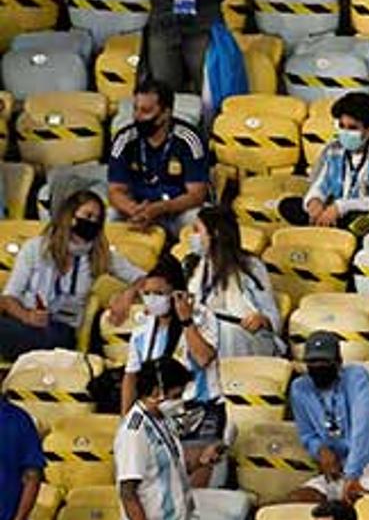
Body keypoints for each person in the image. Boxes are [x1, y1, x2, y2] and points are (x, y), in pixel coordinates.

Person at [119, 255, 227, 485]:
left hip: (200, 411)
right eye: (146, 293)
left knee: (192, 485)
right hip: (160, 413)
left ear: (177, 293)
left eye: (159, 293)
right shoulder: (142, 330)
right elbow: (131, 377)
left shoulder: (203, 318)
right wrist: (126, 422)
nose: (151, 299)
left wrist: (186, 320)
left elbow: (204, 357)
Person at [116, 358, 202, 520]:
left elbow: (168, 471)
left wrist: (202, 460)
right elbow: (128, 492)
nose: (179, 401)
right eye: (176, 395)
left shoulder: (161, 421)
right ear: (156, 392)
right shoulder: (135, 431)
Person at [0, 191, 137, 356]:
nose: (91, 222)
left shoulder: (99, 254)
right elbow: (9, 297)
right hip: (26, 322)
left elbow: (145, 278)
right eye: (88, 215)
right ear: (69, 216)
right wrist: (27, 316)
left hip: (62, 330)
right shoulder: (35, 248)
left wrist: (127, 296)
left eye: (97, 219)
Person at [288, 334, 369, 505]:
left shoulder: (357, 378)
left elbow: (362, 432)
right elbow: (307, 435)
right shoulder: (300, 388)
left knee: (355, 503)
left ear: (339, 362)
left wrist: (352, 475)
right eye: (312, 363)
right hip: (337, 471)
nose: (318, 367)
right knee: (297, 501)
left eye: (324, 362)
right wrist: (320, 450)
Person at [280, 93, 369, 233]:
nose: (345, 132)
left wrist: (341, 207)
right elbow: (318, 184)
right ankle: (326, 224)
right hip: (336, 211)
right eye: (342, 126)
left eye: (353, 128)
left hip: (368, 212)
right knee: (288, 206)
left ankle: (329, 227)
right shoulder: (332, 149)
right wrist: (314, 201)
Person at [106, 77, 210, 234]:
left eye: (146, 111)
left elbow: (197, 194)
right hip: (136, 208)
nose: (137, 117)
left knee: (198, 219)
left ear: (166, 113)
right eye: (136, 109)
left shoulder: (188, 139)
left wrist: (160, 208)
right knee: (110, 216)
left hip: (177, 210)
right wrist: (134, 210)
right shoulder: (124, 138)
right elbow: (115, 191)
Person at [188, 205, 281, 360]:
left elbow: (271, 315)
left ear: (215, 233)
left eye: (198, 231)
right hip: (205, 331)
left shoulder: (251, 266)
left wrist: (262, 319)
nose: (193, 237)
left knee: (227, 332)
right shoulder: (193, 264)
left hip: (242, 334)